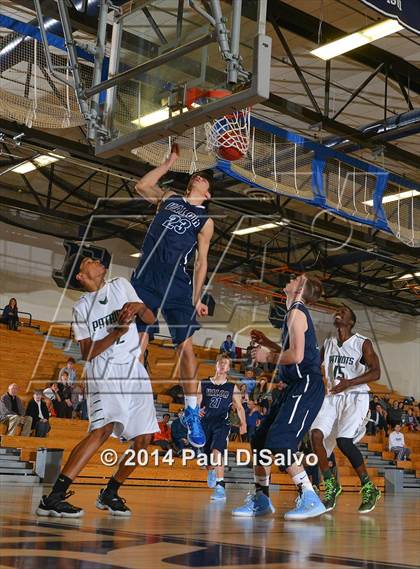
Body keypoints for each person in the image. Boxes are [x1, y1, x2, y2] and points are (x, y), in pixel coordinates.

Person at [36, 254, 158, 518]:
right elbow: (87, 352)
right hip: (104, 371)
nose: (98, 260)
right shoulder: (81, 307)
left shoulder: (121, 284)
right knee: (101, 431)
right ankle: (54, 497)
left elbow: (149, 318)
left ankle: (110, 492)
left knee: (145, 438)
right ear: (81, 276)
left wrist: (138, 308)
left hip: (134, 369)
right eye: (89, 260)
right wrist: (116, 332)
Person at [131, 143, 214, 448]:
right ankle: (134, 405)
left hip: (177, 282)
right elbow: (142, 185)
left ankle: (192, 412)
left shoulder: (206, 221)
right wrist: (169, 162)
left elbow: (202, 262)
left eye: (206, 180)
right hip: (147, 278)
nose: (200, 178)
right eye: (198, 176)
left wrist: (196, 297)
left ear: (208, 194)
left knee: (187, 349)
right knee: (138, 344)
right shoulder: (168, 199)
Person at [232, 274, 326, 520]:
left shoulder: (296, 312)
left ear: (301, 288)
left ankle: (310, 497)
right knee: (260, 440)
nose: (292, 278)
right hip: (294, 386)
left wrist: (268, 357)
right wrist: (269, 345)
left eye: (298, 278)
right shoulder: (293, 313)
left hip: (306, 385)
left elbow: (295, 357)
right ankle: (261, 499)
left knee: (281, 440)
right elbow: (297, 352)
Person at [310, 305, 381, 514]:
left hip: (355, 396)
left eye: (343, 311)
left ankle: (369, 487)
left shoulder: (362, 343)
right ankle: (331, 485)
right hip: (332, 396)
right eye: (337, 310)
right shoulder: (329, 343)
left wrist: (349, 383)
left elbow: (376, 373)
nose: (337, 312)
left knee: (343, 441)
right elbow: (312, 365)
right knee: (315, 436)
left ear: (350, 322)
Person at [198, 353, 246, 501]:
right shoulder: (204, 383)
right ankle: (211, 469)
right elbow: (197, 403)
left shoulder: (232, 387)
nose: (222, 365)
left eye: (226, 363)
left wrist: (243, 424)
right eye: (220, 362)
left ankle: (220, 486)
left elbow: (239, 407)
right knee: (208, 461)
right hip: (205, 422)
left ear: (229, 368)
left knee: (217, 451)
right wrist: (197, 410)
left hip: (222, 422)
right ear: (216, 365)